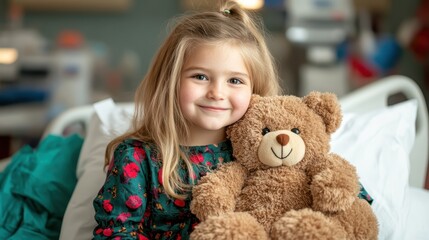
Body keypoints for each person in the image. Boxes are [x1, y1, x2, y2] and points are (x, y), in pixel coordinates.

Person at [92, 1, 282, 239]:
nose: (217, 92)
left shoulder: (262, 156)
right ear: (170, 80)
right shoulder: (137, 158)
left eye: (235, 81)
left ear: (256, 89)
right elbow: (116, 233)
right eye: (200, 76)